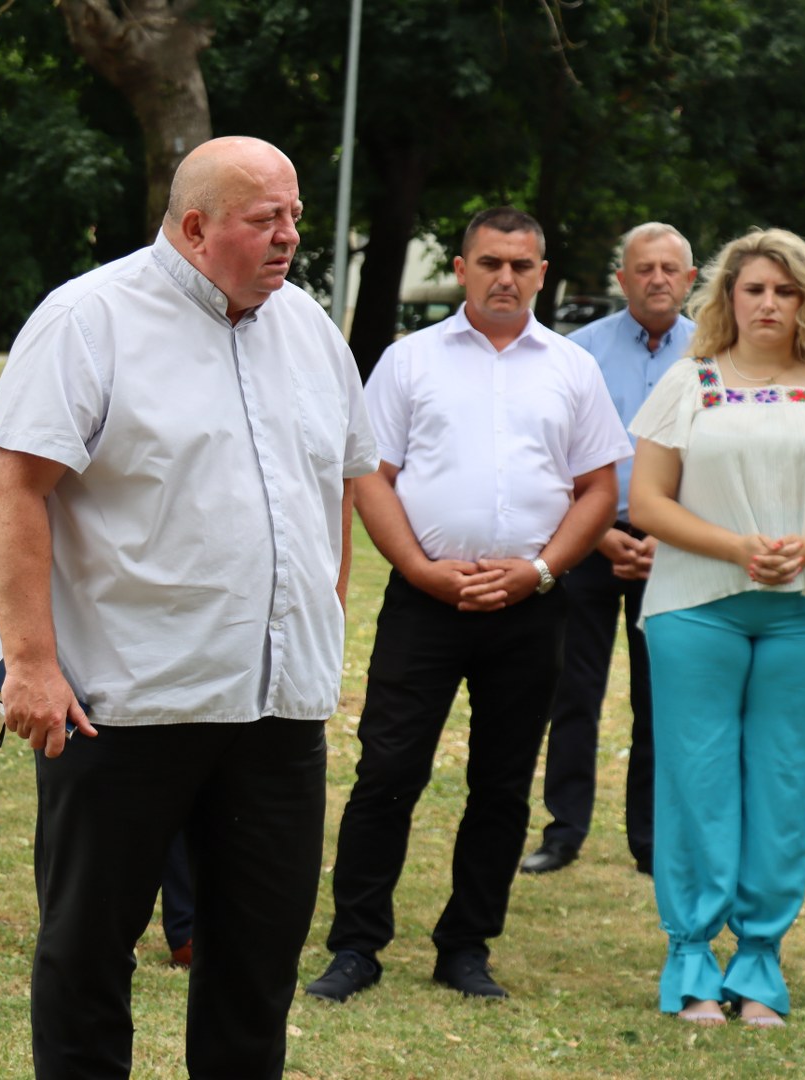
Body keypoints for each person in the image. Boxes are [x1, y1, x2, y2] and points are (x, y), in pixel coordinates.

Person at [0, 136, 377, 1079]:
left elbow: (340, 482)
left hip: (276, 709)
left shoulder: (310, 331)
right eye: (264, 219)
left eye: (293, 216)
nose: (289, 236)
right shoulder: (90, 319)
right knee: (88, 951)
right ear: (196, 228)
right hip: (126, 702)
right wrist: (30, 661)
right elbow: (11, 487)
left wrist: (324, 613)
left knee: (257, 966)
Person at [305, 207, 630, 1004]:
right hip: (426, 603)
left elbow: (598, 488)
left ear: (542, 274)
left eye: (521, 265)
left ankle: (466, 947)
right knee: (387, 770)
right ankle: (356, 946)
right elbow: (369, 475)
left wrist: (541, 571)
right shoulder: (410, 360)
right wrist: (420, 570)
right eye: (490, 262)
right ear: (461, 269)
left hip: (531, 606)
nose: (505, 278)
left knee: (502, 783)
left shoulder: (572, 368)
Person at [627, 228, 805, 1029]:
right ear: (728, 298)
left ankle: (758, 963)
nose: (769, 304)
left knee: (785, 787)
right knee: (697, 782)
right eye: (754, 289)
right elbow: (648, 502)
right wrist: (738, 549)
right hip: (695, 609)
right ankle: (689, 959)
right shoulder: (690, 381)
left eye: (786, 290)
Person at [521, 223, 698, 878]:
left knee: (663, 697)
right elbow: (552, 456)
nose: (657, 279)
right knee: (574, 691)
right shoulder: (578, 353)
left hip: (675, 545)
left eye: (669, 268)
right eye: (643, 268)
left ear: (691, 279)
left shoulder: (714, 355)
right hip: (588, 541)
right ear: (621, 280)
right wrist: (597, 533)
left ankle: (652, 839)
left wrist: (666, 532)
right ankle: (563, 831)